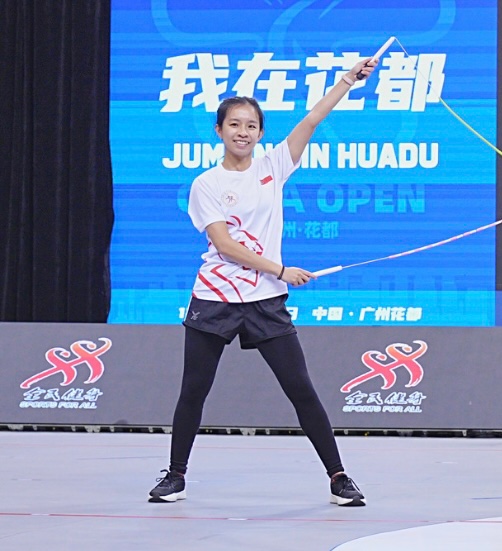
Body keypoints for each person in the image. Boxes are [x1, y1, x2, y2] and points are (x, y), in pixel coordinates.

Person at [148, 57, 379, 506]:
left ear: (260, 133)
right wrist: (280, 269)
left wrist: (348, 80)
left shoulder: (273, 166)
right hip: (214, 297)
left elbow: (312, 119)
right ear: (219, 130)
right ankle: (175, 476)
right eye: (234, 124)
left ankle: (338, 478)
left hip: (265, 302)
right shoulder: (206, 184)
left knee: (301, 389)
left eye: (251, 125)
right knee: (193, 390)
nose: (243, 132)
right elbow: (224, 244)